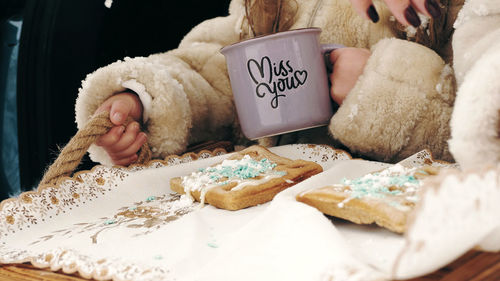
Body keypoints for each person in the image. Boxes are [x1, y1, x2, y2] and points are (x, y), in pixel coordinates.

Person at [76, 0, 463, 167]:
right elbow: (226, 72)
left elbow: (484, 128)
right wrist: (144, 101)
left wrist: (379, 87)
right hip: (267, 221)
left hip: (400, 236)